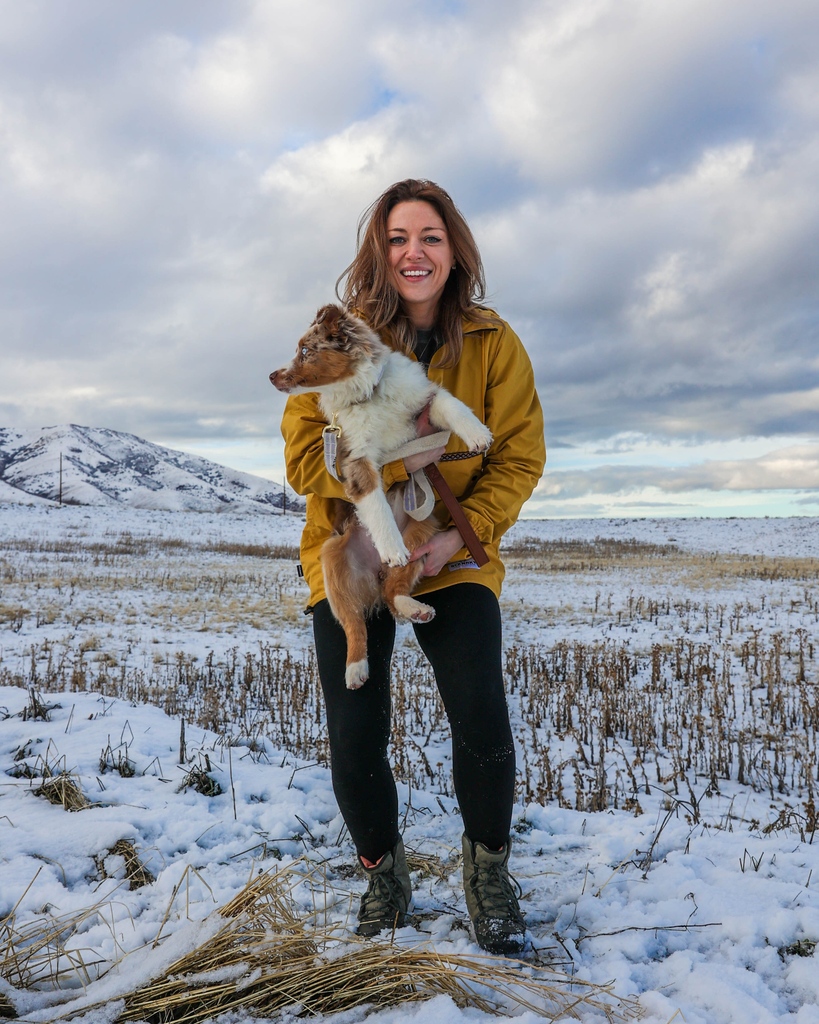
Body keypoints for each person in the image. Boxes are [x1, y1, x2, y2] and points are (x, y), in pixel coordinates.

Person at [280, 179, 545, 954]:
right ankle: (382, 873)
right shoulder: (331, 343)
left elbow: (518, 456)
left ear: (453, 248)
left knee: (482, 719)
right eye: (397, 238)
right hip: (354, 551)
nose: (413, 252)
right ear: (378, 251)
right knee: (355, 733)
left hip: (448, 549)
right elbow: (303, 462)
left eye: (428, 236)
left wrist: (454, 541)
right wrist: (388, 467)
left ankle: (488, 874)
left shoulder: (494, 345)